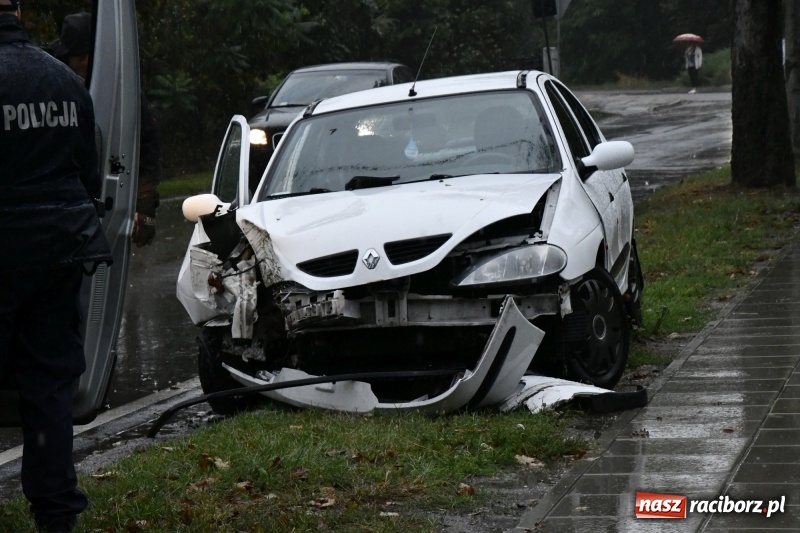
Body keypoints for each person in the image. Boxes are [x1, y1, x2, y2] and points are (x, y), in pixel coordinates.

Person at [0, 1, 112, 531]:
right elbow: (88, 172)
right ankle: (57, 513)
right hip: (59, 250)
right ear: (19, 11)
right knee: (48, 384)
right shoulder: (66, 80)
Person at [49, 12, 162, 247]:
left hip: (105, 181)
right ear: (66, 56)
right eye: (80, 57)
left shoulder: (121, 83)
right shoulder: (47, 74)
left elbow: (147, 143)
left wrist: (144, 203)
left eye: (90, 55)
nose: (86, 62)